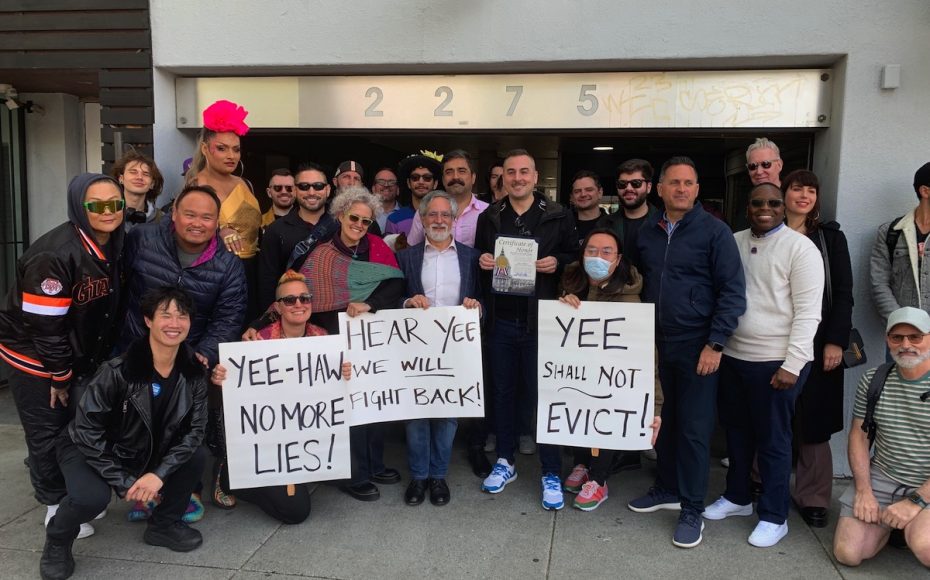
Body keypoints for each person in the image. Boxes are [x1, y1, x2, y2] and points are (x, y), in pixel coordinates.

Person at [39, 287, 209, 580]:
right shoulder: (117, 371)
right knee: (91, 498)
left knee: (197, 454)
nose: (174, 323)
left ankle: (164, 525)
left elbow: (195, 431)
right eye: (165, 315)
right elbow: (86, 431)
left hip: (142, 448)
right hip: (87, 447)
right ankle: (57, 540)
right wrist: (124, 481)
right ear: (148, 320)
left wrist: (158, 475)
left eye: (182, 316)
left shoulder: (193, 372)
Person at [627, 156, 746, 549]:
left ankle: (692, 507)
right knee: (663, 419)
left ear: (697, 189)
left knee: (694, 430)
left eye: (688, 183)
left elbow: (732, 292)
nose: (681, 189)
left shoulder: (715, 232)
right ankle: (667, 488)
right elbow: (631, 280)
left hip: (698, 345)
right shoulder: (647, 231)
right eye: (674, 182)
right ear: (660, 189)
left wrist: (716, 343)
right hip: (655, 344)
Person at [0, 173, 124, 541]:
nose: (108, 211)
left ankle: (80, 493)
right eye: (97, 205)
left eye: (115, 203)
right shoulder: (53, 254)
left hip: (74, 353)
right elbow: (45, 327)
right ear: (79, 207)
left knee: (80, 425)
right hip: (34, 355)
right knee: (46, 430)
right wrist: (60, 375)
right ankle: (55, 505)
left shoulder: (114, 241)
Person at [705, 183, 824, 548]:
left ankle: (774, 516)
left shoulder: (801, 248)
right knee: (737, 434)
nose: (765, 208)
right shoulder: (733, 241)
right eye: (758, 202)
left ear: (783, 207)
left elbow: (808, 313)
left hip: (776, 361)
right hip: (734, 356)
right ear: (747, 207)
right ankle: (738, 497)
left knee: (774, 441)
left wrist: (793, 364)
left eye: (773, 202)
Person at [119, 183, 246, 514]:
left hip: (191, 356)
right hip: (136, 349)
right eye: (190, 214)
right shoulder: (141, 239)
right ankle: (143, 490)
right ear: (173, 213)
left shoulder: (228, 263)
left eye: (207, 217)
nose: (197, 223)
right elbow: (118, 287)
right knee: (139, 425)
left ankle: (187, 491)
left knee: (186, 427)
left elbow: (229, 316)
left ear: (217, 222)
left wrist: (204, 353)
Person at [475, 149, 577, 510]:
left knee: (545, 396)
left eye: (524, 172)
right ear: (503, 178)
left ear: (535, 177)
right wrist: (483, 259)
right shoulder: (490, 216)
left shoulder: (558, 214)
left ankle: (551, 470)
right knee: (502, 393)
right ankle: (505, 460)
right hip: (501, 320)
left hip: (542, 321)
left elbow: (575, 257)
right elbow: (478, 260)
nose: (517, 178)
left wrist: (558, 262)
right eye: (511, 172)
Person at [210, 270, 351, 523]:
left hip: (304, 434)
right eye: (289, 300)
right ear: (278, 307)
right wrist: (222, 379)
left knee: (349, 471)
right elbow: (241, 395)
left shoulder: (323, 338)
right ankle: (231, 476)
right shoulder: (258, 341)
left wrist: (344, 374)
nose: (298, 304)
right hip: (269, 441)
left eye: (304, 298)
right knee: (295, 512)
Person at [298, 186, 404, 501]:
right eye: (353, 218)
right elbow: (304, 296)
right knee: (348, 409)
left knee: (374, 404)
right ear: (341, 215)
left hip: (372, 338)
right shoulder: (321, 254)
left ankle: (374, 464)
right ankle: (354, 474)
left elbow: (395, 284)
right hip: (334, 337)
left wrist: (370, 303)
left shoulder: (377, 247)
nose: (359, 225)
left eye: (365, 221)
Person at [558, 228, 660, 510]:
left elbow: (645, 356)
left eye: (606, 252)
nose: (598, 257)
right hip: (579, 372)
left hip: (613, 378)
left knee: (607, 417)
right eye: (591, 251)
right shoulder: (572, 280)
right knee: (578, 412)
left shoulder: (630, 298)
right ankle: (582, 464)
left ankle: (599, 480)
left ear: (618, 259)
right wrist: (564, 302)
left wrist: (656, 406)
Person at [396, 190, 482, 506]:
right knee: (416, 414)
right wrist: (407, 302)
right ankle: (419, 477)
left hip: (456, 350)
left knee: (447, 415)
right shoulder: (406, 257)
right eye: (432, 213)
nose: (439, 220)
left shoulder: (472, 258)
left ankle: (438, 476)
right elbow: (391, 298)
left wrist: (477, 308)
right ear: (422, 218)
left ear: (454, 219)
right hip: (415, 351)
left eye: (446, 214)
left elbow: (485, 300)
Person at [781, 169, 854, 528]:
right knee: (770, 415)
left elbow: (843, 292)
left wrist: (835, 341)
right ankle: (760, 481)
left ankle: (812, 496)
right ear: (784, 194)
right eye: (797, 189)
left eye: (811, 190)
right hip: (774, 340)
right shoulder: (766, 232)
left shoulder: (829, 239)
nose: (804, 196)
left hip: (820, 340)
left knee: (814, 422)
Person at [833, 306, 930, 568]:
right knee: (848, 552)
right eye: (897, 337)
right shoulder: (875, 379)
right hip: (885, 475)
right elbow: (859, 436)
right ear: (888, 340)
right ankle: (893, 525)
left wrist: (916, 502)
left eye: (915, 337)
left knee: (925, 547)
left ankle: (910, 524)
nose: (906, 345)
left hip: (927, 482)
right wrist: (864, 490)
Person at [185, 99, 262, 321]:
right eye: (222, 148)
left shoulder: (245, 184)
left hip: (252, 271)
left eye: (236, 149)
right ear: (205, 149)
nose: (231, 156)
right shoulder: (195, 186)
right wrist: (217, 231)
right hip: (215, 273)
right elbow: (184, 235)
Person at [257, 163, 338, 312]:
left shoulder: (342, 225)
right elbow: (267, 282)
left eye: (318, 186)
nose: (311, 192)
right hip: (294, 313)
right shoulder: (275, 230)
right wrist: (271, 318)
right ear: (294, 190)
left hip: (336, 311)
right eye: (304, 186)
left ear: (327, 190)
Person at [870, 162, 930, 323]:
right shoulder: (890, 232)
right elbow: (879, 283)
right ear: (925, 191)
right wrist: (901, 323)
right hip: (903, 332)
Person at [407, 149, 489, 248]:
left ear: (473, 177)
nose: (455, 177)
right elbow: (412, 251)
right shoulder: (424, 211)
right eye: (449, 172)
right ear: (443, 179)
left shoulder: (488, 211)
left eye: (462, 171)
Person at [603, 158, 660, 271]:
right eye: (622, 184)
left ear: (648, 187)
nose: (628, 188)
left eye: (636, 183)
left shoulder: (664, 223)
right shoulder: (604, 224)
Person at [386, 151, 441, 237]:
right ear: (408, 183)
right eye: (415, 177)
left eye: (427, 178)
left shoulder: (444, 217)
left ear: (435, 184)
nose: (421, 182)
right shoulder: (394, 219)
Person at [111, 149, 165, 231]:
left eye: (146, 174)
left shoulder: (161, 220)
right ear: (121, 178)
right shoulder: (106, 215)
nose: (139, 177)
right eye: (133, 172)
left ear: (152, 184)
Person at [568, 170, 607, 244]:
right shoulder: (562, 226)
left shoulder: (613, 225)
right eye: (577, 191)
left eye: (589, 190)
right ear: (572, 197)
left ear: (600, 192)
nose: (583, 194)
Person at [372, 167, 404, 232]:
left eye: (391, 182)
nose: (386, 185)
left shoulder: (407, 215)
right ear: (373, 189)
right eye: (381, 181)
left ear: (398, 190)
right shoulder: (364, 213)